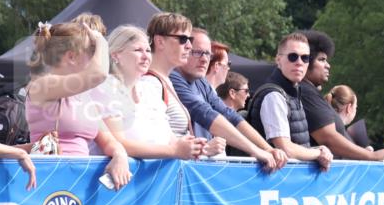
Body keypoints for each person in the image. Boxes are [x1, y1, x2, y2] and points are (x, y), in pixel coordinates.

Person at [24, 22, 131, 190]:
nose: (96, 58)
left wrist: (120, 155)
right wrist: (101, 42)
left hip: (78, 181)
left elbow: (108, 140)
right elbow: (99, 74)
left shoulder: (83, 96)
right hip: (49, 181)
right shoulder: (41, 85)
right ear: (72, 56)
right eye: (91, 52)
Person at [162, 25, 285, 168]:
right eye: (197, 52)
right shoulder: (173, 78)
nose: (204, 59)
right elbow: (205, 114)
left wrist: (267, 149)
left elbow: (230, 116)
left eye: (208, 54)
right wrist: (255, 150)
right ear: (185, 50)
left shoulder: (201, 81)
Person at [100, 25, 205, 160]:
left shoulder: (149, 89)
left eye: (148, 50)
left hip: (158, 176)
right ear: (115, 55)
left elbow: (169, 138)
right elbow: (118, 143)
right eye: (138, 50)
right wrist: (174, 151)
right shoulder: (106, 89)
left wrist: (197, 148)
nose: (146, 56)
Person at [298, 30, 384, 165]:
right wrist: (370, 155)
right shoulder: (306, 92)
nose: (328, 65)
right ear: (306, 62)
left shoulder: (308, 91)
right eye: (321, 60)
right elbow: (328, 138)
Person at [247, 32, 333, 170]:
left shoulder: (293, 92)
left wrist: (319, 149)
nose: (299, 62)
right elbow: (286, 148)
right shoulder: (273, 96)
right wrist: (319, 153)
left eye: (305, 58)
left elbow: (297, 144)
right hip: (271, 183)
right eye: (293, 57)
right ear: (278, 60)